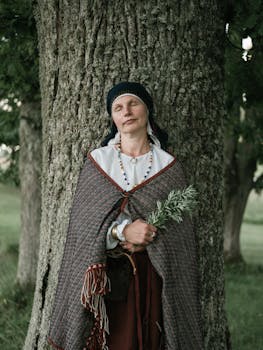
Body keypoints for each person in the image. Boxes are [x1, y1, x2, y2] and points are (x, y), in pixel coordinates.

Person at [48, 82, 203, 350]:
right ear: (113, 118)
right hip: (106, 281)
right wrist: (121, 232)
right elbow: (83, 228)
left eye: (133, 103)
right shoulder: (99, 161)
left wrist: (151, 238)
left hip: (151, 278)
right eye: (118, 107)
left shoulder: (168, 166)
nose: (126, 112)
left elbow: (181, 240)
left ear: (147, 110)